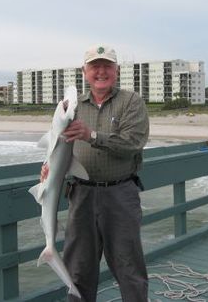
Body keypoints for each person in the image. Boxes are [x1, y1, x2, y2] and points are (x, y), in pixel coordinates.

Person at [40, 44, 149, 301]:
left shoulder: (131, 102)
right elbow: (55, 146)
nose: (101, 72)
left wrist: (92, 136)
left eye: (107, 66)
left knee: (129, 268)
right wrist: (47, 168)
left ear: (117, 70)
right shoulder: (72, 108)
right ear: (84, 71)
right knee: (78, 269)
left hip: (121, 193)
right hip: (81, 194)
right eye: (95, 66)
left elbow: (133, 143)